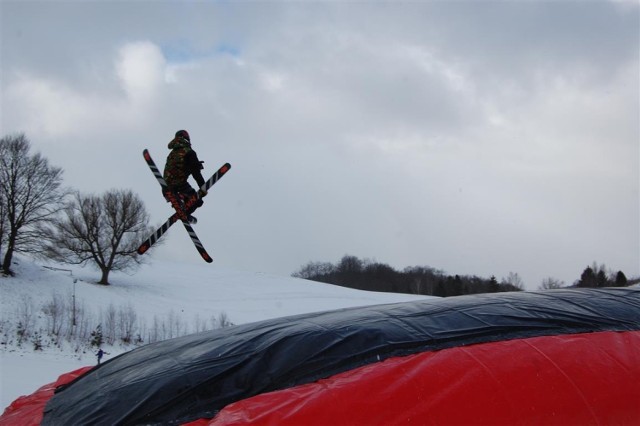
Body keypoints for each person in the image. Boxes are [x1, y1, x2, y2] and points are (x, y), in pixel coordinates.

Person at [163, 130, 208, 223]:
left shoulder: (172, 153)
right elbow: (196, 172)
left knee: (197, 201)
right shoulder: (189, 152)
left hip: (167, 187)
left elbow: (177, 167)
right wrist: (203, 187)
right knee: (197, 201)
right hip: (180, 186)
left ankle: (183, 209)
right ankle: (181, 198)